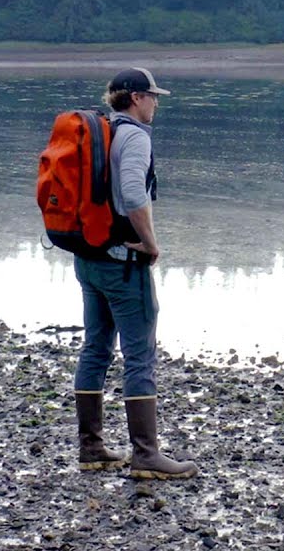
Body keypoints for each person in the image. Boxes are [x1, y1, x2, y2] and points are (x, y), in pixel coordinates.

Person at [72, 67, 199, 480]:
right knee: (140, 356)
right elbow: (132, 193)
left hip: (87, 257)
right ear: (136, 98)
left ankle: (91, 448)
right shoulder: (135, 137)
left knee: (95, 348)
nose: (156, 103)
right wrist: (150, 242)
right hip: (122, 264)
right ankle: (146, 454)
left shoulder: (101, 132)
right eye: (152, 95)